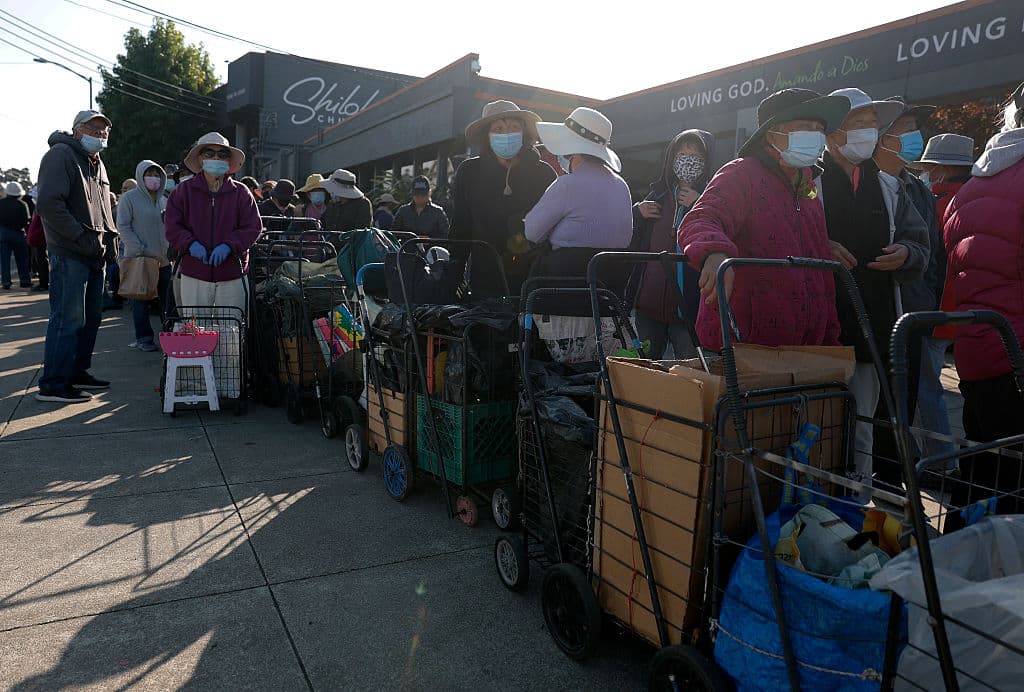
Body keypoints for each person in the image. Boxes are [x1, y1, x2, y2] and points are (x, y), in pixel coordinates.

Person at [678, 88, 848, 351]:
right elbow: (702, 218)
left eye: (819, 129)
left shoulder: (808, 189)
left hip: (806, 350)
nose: (815, 135)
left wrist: (829, 339)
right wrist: (715, 253)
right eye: (805, 126)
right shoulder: (741, 173)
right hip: (740, 346)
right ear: (772, 134)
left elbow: (823, 280)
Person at [820, 88, 929, 495]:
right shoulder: (809, 181)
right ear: (833, 134)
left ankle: (856, 501)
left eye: (872, 123)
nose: (869, 131)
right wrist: (817, 246)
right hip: (819, 328)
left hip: (873, 325)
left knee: (861, 424)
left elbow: (920, 243)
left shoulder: (887, 185)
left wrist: (907, 253)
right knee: (817, 422)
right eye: (858, 123)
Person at [942, 81, 1024, 530]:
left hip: (977, 351)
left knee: (980, 470)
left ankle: (952, 558)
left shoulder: (972, 185)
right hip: (1017, 354)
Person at [35, 109, 117, 403]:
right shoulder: (61, 155)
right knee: (67, 319)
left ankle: (76, 372)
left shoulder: (97, 163)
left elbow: (103, 209)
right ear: (77, 130)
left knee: (90, 319)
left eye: (104, 131)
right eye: (93, 129)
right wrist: (80, 237)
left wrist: (109, 245)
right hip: (71, 252)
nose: (100, 135)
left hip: (95, 254)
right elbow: (49, 204)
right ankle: (54, 383)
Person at [909, 133, 975, 465]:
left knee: (926, 388)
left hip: (933, 310)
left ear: (942, 169)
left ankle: (941, 461)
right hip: (966, 309)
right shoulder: (974, 198)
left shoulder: (935, 202)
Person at [451, 100, 556, 291]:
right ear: (487, 136)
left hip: (533, 281)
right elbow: (461, 226)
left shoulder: (544, 174)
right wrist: (454, 274)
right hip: (484, 279)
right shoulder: (469, 172)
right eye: (498, 129)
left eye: (514, 127)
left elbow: (554, 229)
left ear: (524, 133)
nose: (506, 134)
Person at [630, 129, 715, 359]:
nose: (688, 159)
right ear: (671, 158)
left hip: (689, 309)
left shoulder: (713, 197)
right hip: (648, 304)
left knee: (690, 369)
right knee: (644, 366)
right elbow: (629, 237)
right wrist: (637, 212)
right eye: (682, 153)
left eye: (695, 154)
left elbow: (722, 233)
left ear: (706, 160)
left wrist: (700, 203)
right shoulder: (657, 195)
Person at [525, 107, 633, 276]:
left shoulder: (567, 184)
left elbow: (532, 232)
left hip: (565, 280)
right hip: (613, 281)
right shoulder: (622, 185)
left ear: (573, 154)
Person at [164, 132, 261, 316]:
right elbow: (172, 227)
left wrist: (229, 245)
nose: (216, 158)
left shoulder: (241, 193)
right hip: (194, 272)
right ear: (200, 158)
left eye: (222, 154)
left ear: (228, 161)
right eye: (209, 153)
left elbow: (253, 227)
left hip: (233, 273)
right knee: (195, 329)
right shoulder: (182, 192)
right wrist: (190, 243)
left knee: (232, 329)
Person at [117, 160, 171, 352]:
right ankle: (144, 338)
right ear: (141, 176)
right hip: (139, 259)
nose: (153, 178)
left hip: (164, 260)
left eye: (157, 175)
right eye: (149, 174)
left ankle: (170, 337)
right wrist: (139, 249)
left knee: (167, 301)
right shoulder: (129, 198)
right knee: (140, 301)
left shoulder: (164, 199)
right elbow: (123, 226)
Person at [0, 181, 32, 289]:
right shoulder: (22, 204)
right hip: (18, 233)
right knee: (22, 258)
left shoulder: (1, 203)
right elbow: (26, 221)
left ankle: (6, 282)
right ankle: (24, 280)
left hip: (3, 233)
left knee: (4, 260)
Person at [26, 209, 48, 291]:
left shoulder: (41, 213)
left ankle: (43, 283)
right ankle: (44, 282)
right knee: (41, 261)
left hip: (39, 240)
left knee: (41, 261)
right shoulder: (42, 213)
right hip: (40, 239)